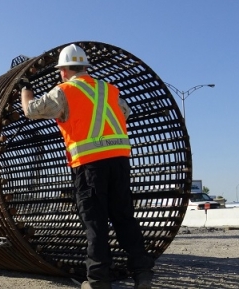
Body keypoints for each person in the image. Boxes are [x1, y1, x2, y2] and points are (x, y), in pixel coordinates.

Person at [19, 44, 154, 289]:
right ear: (85, 68)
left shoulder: (64, 91)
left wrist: (25, 89)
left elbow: (31, 111)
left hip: (90, 166)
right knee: (125, 218)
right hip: (120, 162)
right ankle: (142, 273)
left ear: (63, 71)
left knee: (95, 222)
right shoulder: (109, 90)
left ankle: (98, 281)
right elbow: (126, 112)